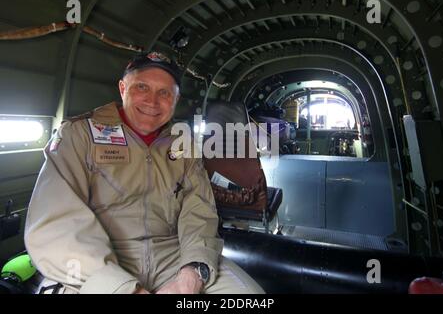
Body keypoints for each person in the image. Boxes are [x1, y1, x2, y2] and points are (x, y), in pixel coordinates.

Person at [24, 52, 264, 294]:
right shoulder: (79, 135)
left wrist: (192, 271)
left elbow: (199, 211)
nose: (152, 101)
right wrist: (123, 289)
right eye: (142, 87)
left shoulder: (182, 143)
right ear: (122, 88)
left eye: (165, 93)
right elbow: (55, 223)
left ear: (175, 100)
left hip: (172, 255)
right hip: (97, 263)